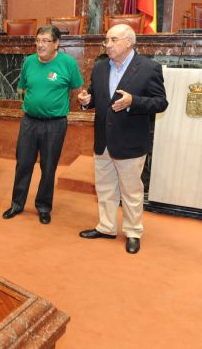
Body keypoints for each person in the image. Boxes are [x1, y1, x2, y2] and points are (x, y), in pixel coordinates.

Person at [78, 24, 168, 254]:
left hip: (130, 141)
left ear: (129, 42)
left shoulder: (149, 68)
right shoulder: (99, 67)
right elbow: (98, 99)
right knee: (105, 188)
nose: (107, 44)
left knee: (131, 191)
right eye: (106, 40)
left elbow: (160, 102)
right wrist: (87, 101)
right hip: (103, 141)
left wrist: (133, 102)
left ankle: (133, 232)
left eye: (113, 40)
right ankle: (107, 227)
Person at [2, 26, 83, 225]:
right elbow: (21, 88)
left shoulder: (68, 63)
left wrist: (54, 104)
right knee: (23, 164)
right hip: (29, 122)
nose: (40, 45)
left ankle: (44, 206)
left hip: (55, 125)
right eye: (38, 40)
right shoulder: (29, 62)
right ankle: (17, 204)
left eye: (45, 41)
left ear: (56, 44)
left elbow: (77, 90)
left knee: (48, 167)